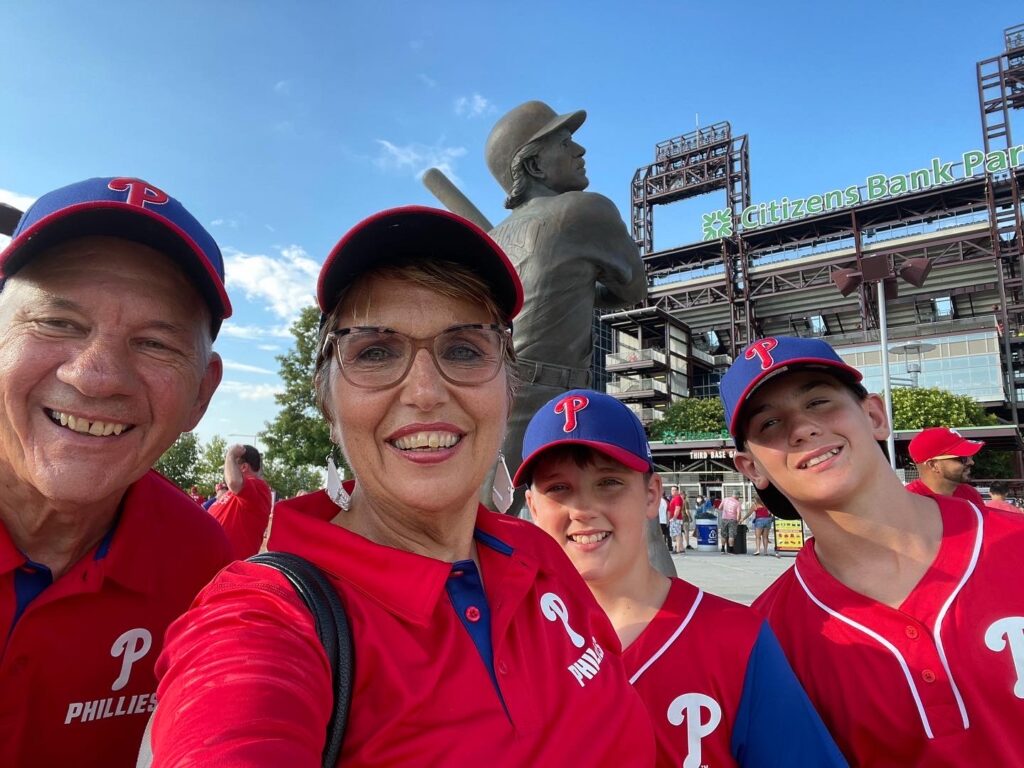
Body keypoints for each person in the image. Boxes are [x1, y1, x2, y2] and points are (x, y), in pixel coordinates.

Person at [150, 206, 655, 765]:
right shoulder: (264, 618)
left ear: (508, 389)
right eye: (375, 351)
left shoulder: (535, 552)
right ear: (326, 401)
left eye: (463, 349)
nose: (425, 391)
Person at [0, 177, 233, 767]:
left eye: (155, 344)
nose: (95, 376)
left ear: (201, 397)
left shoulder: (204, 569)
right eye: (58, 322)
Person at [721, 335, 1024, 765]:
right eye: (769, 424)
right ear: (752, 468)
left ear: (875, 415)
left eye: (820, 401)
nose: (803, 428)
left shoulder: (1015, 541)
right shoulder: (766, 638)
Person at [520, 389, 848, 767]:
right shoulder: (505, 640)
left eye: (609, 482)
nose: (582, 510)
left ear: (650, 496)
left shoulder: (735, 637)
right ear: (532, 508)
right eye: (558, 488)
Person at [485, 100, 648, 513]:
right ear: (536, 167)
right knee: (614, 512)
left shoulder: (495, 238)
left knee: (489, 522)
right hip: (555, 396)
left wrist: (569, 284)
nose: (580, 150)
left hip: (489, 386)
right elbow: (633, 290)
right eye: (565, 142)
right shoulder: (585, 209)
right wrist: (585, 288)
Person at [206, 443, 272, 560]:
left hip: (228, 568)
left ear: (243, 467)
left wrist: (230, 454)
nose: (226, 472)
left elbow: (233, 482)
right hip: (212, 563)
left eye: (231, 465)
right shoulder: (238, 492)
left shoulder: (258, 487)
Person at [906, 426, 987, 507]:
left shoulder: (970, 494)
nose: (971, 462)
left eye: (970, 456)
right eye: (963, 458)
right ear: (933, 465)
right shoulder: (907, 501)